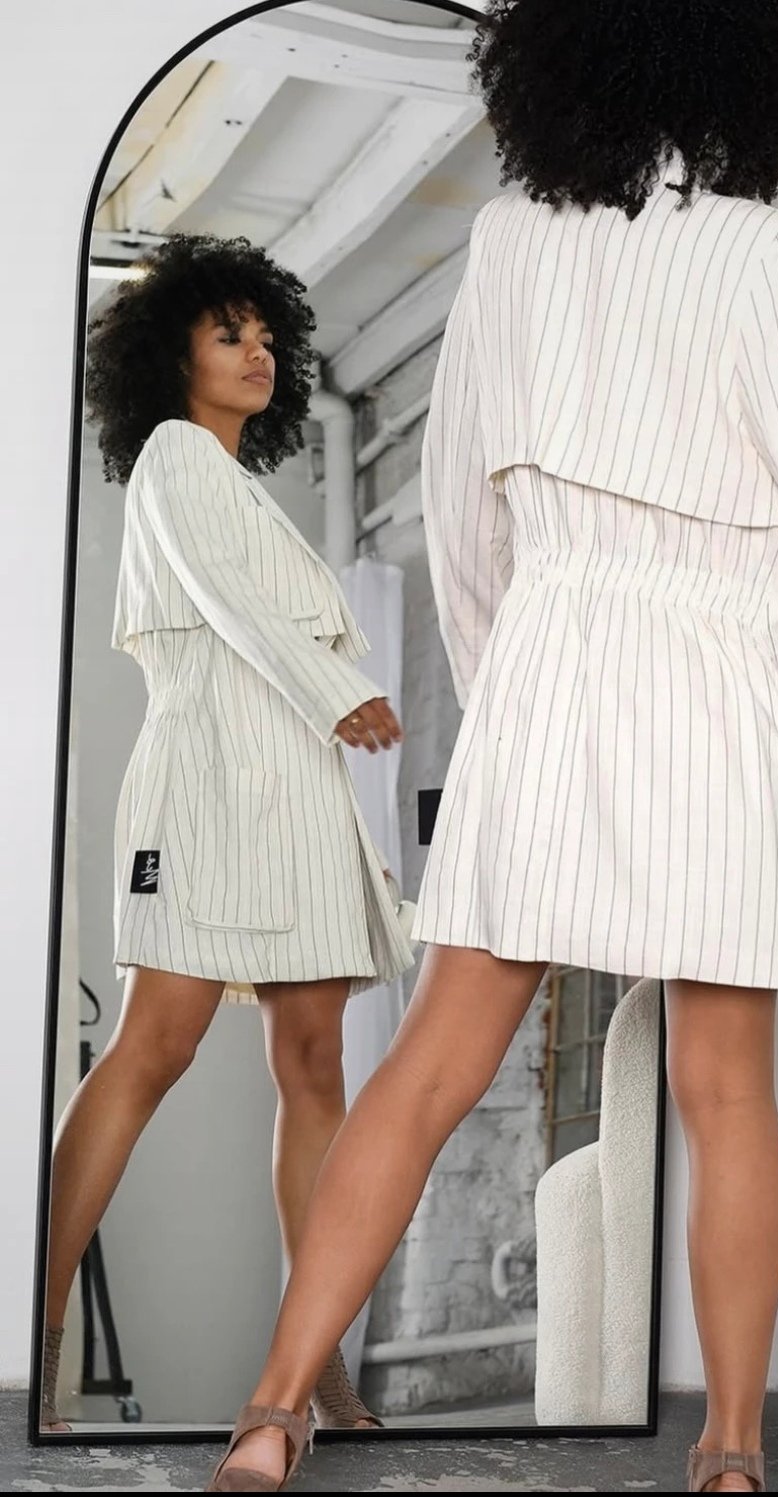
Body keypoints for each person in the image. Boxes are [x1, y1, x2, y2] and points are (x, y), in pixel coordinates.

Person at [204, 2, 778, 1491]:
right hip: (714, 695)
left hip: (550, 673)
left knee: (430, 1067)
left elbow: (460, 510)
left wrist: (513, 698)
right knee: (722, 1089)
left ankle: (270, 1416)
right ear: (748, 71)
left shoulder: (510, 240)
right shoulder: (761, 253)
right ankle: (731, 1454)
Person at [41, 233, 413, 1435]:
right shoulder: (172, 457)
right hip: (202, 787)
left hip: (295, 803)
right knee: (154, 1045)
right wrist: (336, 690)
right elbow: (231, 603)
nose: (255, 352)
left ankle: (318, 1359)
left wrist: (336, 785)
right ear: (173, 354)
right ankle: (33, 1326)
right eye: (226, 333)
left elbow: (263, 629)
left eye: (264, 337)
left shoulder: (243, 487)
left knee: (314, 1066)